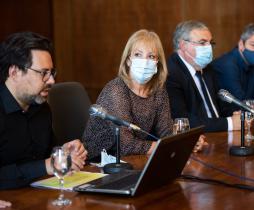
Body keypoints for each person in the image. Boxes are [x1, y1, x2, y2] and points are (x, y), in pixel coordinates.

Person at [0, 32, 87, 190]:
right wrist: (46, 166)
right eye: (43, 73)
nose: (52, 81)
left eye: (51, 73)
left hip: (39, 194)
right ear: (14, 73)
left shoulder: (41, 108)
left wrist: (62, 153)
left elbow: (46, 157)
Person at [83, 29, 175, 159]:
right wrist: (163, 146)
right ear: (128, 60)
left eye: (151, 56)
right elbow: (126, 145)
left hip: (134, 158)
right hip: (100, 161)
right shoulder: (116, 90)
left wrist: (185, 142)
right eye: (138, 54)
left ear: (157, 64)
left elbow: (166, 131)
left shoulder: (158, 90)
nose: (145, 61)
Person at [166, 20, 241, 132]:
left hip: (220, 135)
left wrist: (234, 114)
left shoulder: (207, 68)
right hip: (200, 139)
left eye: (211, 43)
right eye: (202, 43)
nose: (209, 47)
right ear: (183, 45)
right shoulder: (171, 73)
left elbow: (220, 105)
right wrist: (229, 123)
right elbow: (182, 120)